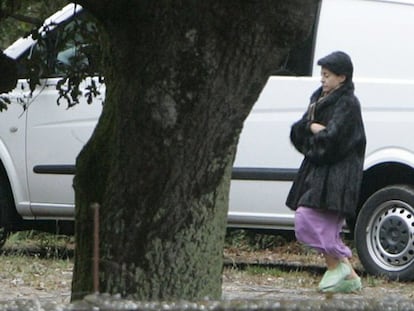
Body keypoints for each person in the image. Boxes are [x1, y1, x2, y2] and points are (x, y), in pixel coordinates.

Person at [285, 51, 366, 293]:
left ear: (342, 77)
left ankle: (340, 264)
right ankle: (347, 274)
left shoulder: (348, 104)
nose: (322, 79)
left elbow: (334, 141)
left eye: (327, 75)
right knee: (311, 220)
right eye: (321, 74)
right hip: (317, 173)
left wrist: (318, 135)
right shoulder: (318, 99)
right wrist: (313, 127)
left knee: (310, 218)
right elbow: (300, 130)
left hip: (339, 177)